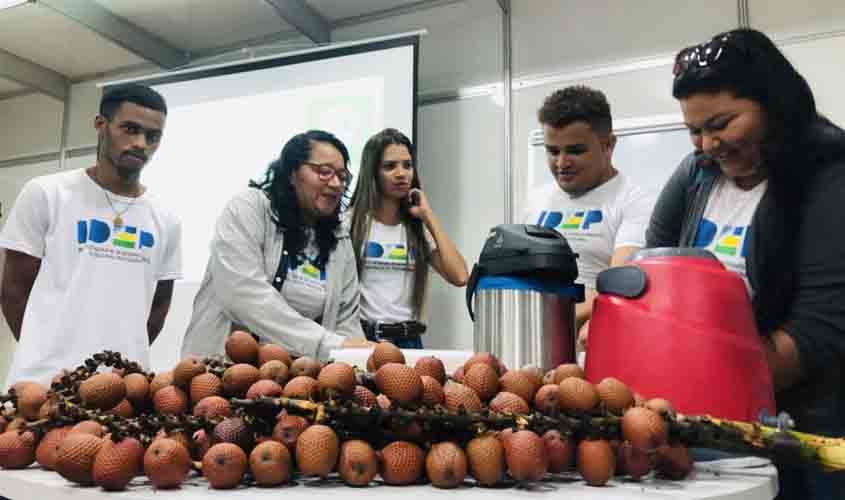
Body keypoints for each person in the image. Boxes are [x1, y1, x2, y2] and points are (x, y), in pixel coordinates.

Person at [647, 28, 845, 499]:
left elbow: (816, 333)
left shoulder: (830, 174)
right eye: (694, 131)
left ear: (775, 104)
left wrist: (699, 383)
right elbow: (651, 266)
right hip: (706, 415)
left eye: (721, 123)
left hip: (803, 425)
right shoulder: (697, 175)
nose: (707, 144)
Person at [0, 85, 182, 387]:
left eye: (152, 136)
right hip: (44, 382)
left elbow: (159, 307)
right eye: (130, 129)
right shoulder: (47, 193)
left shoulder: (166, 219)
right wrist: (41, 354)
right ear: (101, 125)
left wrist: (119, 371)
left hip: (122, 389)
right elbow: (13, 290)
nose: (140, 143)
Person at [182, 130, 371, 361]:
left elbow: (346, 322)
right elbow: (243, 295)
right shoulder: (250, 207)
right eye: (324, 172)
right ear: (292, 173)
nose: (335, 184)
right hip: (220, 372)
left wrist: (353, 361)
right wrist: (328, 345)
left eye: (342, 176)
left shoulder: (338, 237)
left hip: (299, 380)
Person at [523, 86, 654, 349]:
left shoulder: (636, 202)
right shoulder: (536, 201)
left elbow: (618, 283)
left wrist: (546, 323)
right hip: (533, 343)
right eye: (552, 151)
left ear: (608, 145)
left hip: (598, 348)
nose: (561, 162)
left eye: (575, 150)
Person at [348, 128, 468, 348]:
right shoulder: (351, 223)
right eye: (389, 166)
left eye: (407, 165)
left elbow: (460, 276)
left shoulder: (416, 229)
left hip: (410, 341)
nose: (401, 173)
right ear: (372, 172)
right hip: (363, 338)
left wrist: (428, 216)